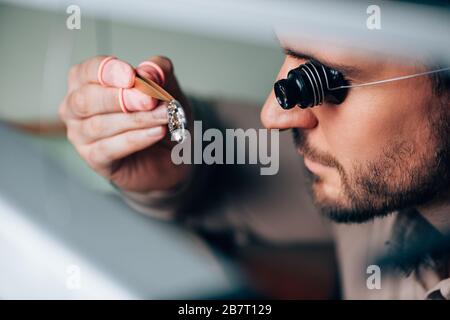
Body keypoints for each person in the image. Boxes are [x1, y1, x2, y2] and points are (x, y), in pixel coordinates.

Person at [58, 37, 450, 299]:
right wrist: (176, 163)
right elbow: (241, 160)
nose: (272, 116)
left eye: (332, 82)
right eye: (289, 57)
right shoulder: (379, 190)